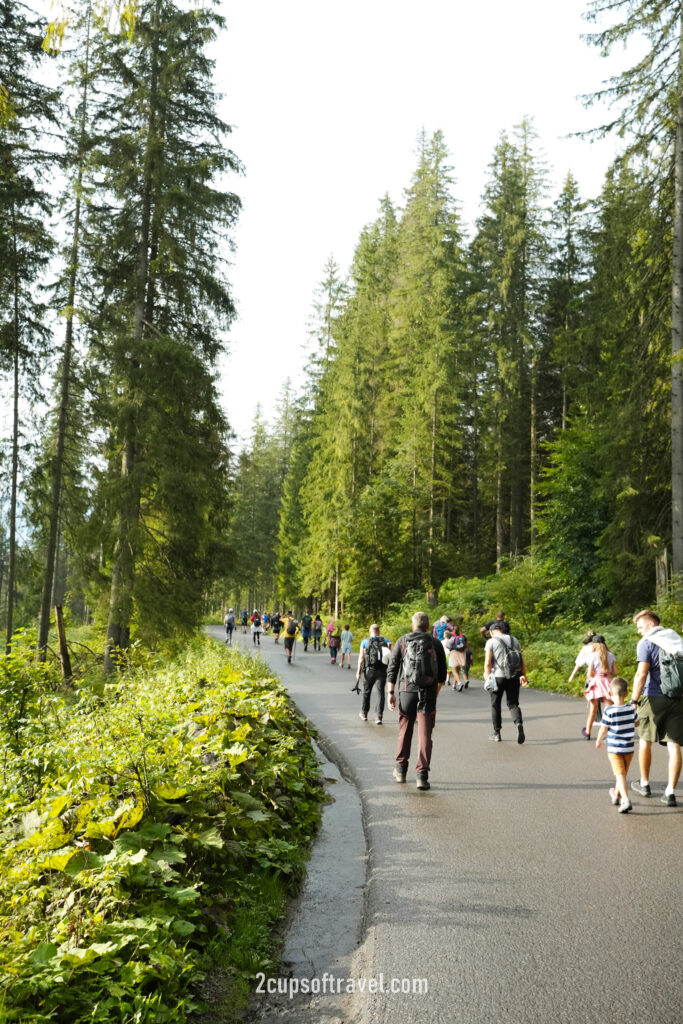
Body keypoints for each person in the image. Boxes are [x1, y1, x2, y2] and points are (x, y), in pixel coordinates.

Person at [386, 612, 447, 790]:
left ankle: (400, 770)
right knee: (425, 734)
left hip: (407, 691)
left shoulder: (403, 641)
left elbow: (392, 667)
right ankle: (422, 776)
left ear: (412, 625)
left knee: (405, 730)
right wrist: (434, 693)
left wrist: (391, 692)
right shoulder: (435, 643)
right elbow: (442, 675)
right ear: (428, 626)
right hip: (427, 692)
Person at [630, 609, 683, 807]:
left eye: (640, 627)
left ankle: (644, 784)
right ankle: (670, 792)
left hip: (652, 697)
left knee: (645, 740)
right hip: (677, 698)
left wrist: (634, 700)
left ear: (651, 624)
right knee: (674, 745)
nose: (639, 631)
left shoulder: (647, 643)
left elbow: (641, 674)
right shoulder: (676, 639)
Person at [596, 676, 638, 814]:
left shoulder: (609, 711)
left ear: (610, 693)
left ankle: (625, 800)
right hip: (629, 748)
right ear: (626, 693)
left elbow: (603, 728)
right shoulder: (631, 709)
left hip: (614, 749)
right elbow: (637, 722)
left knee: (620, 775)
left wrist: (598, 740)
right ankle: (616, 794)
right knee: (622, 774)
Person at [484, 623, 528, 743]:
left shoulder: (491, 641)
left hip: (498, 677)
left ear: (492, 632)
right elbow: (521, 659)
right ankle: (519, 724)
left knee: (495, 704)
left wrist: (488, 678)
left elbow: (488, 663)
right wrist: (524, 675)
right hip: (514, 675)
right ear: (502, 630)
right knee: (513, 704)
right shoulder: (514, 640)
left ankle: (497, 733)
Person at [582, 634, 617, 739]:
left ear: (594, 644)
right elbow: (615, 672)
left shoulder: (592, 655)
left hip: (596, 682)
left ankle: (588, 732)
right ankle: (607, 733)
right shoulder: (611, 655)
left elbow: (590, 674)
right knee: (608, 710)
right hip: (607, 682)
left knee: (593, 709)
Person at [356, 624, 391, 723]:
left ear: (369, 631)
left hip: (369, 670)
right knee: (381, 693)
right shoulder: (386, 641)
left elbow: (361, 658)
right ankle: (379, 716)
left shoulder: (365, 642)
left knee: (366, 692)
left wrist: (358, 672)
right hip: (382, 671)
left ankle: (364, 713)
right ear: (379, 631)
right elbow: (390, 656)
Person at [450, 625, 469, 690]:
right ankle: (454, 685)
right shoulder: (463, 636)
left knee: (454, 670)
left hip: (454, 653)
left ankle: (459, 683)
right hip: (462, 653)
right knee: (457, 670)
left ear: (453, 630)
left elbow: (448, 645)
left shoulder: (452, 636)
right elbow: (467, 644)